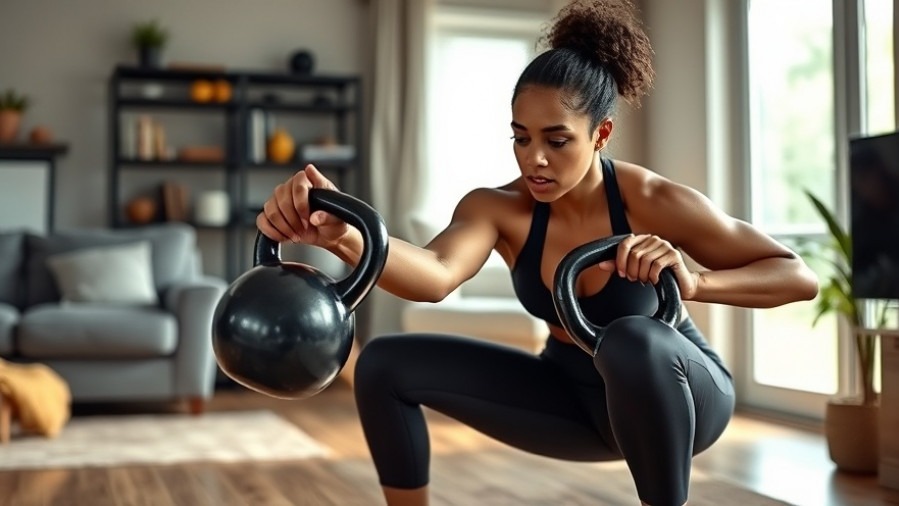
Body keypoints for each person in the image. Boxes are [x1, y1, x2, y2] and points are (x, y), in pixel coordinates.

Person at [256, 1, 819, 504]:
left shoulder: (651, 199)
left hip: (683, 402)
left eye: (557, 140)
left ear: (601, 135)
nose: (535, 160)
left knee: (632, 336)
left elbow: (796, 276)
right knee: (382, 363)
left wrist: (696, 284)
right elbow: (433, 275)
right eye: (521, 137)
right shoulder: (499, 208)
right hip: (573, 402)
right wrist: (344, 235)